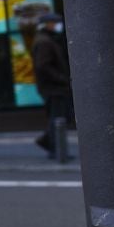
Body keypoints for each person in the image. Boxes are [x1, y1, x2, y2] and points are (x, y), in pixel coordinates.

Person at [32, 13, 72, 158]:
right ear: (47, 24)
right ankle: (54, 148)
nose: (57, 25)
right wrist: (62, 79)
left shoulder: (46, 39)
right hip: (53, 88)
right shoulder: (44, 42)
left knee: (59, 117)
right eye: (55, 22)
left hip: (52, 87)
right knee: (58, 118)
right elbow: (43, 66)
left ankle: (51, 145)